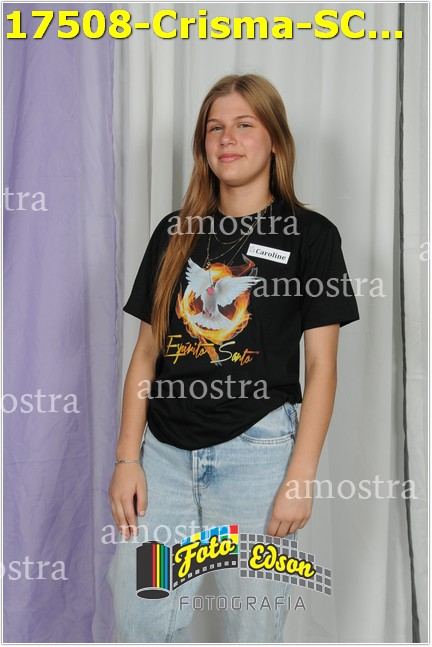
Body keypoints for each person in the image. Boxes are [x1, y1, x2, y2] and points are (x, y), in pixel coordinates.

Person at [107, 73, 360, 643]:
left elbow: (322, 367)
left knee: (253, 626)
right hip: (163, 459)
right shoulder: (175, 232)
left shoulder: (311, 235)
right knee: (142, 621)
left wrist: (300, 476)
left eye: (245, 124)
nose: (227, 138)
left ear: (275, 139)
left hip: (259, 457)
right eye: (215, 127)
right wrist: (127, 458)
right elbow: (145, 354)